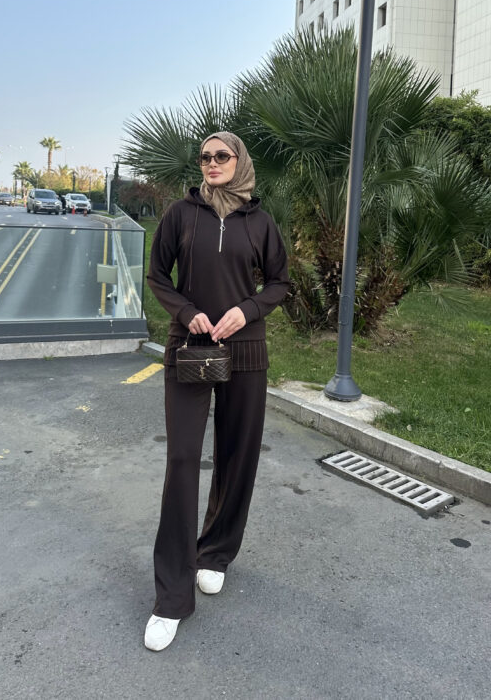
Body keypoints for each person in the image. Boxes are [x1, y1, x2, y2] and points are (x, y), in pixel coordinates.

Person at [144, 131, 290, 652]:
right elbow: (157, 275)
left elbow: (280, 283)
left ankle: (216, 553)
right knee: (183, 459)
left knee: (237, 456)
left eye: (221, 156)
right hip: (189, 347)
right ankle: (171, 597)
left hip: (245, 351)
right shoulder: (180, 215)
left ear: (239, 161)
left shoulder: (261, 222)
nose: (212, 163)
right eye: (205, 157)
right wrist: (186, 312)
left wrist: (247, 311)